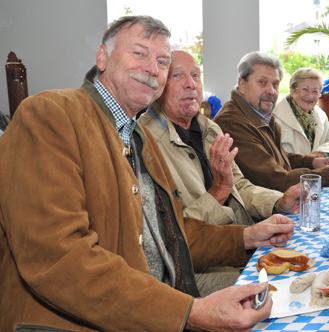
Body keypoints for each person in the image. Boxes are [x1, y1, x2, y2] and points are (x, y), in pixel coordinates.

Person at [0, 16, 294, 332]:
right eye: (140, 53)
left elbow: (176, 234)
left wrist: (247, 236)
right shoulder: (50, 114)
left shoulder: (139, 138)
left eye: (162, 61)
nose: (153, 69)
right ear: (102, 57)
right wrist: (189, 313)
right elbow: (58, 259)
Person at [139, 50, 300, 296]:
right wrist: (217, 193)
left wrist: (278, 202)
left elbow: (241, 186)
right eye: (177, 76)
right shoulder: (145, 143)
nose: (191, 84)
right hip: (190, 275)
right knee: (281, 291)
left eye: (195, 75)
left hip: (236, 249)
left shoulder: (209, 128)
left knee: (304, 268)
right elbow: (170, 236)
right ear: (158, 84)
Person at [214, 51, 329, 192]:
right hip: (256, 212)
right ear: (242, 84)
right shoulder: (233, 122)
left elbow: (279, 160)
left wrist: (312, 162)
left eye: (275, 84)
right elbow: (273, 180)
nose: (271, 91)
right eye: (262, 82)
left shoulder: (260, 115)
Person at [273, 67, 329, 157]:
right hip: (289, 170)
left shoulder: (320, 115)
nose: (310, 95)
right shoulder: (273, 116)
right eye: (305, 89)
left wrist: (319, 153)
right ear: (292, 90)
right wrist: (307, 161)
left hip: (315, 170)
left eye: (315, 91)